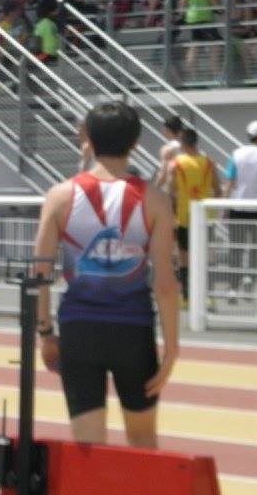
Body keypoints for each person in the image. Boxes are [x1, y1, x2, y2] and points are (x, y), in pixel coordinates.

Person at [32, 101, 179, 450]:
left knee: (88, 447)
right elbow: (165, 284)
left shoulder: (59, 196)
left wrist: (46, 333)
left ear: (89, 140)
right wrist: (172, 349)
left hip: (79, 329)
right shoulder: (156, 200)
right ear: (135, 143)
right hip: (133, 331)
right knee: (143, 442)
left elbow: (39, 272)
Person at [222, 119, 257, 300]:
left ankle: (232, 288)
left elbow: (229, 182)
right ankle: (249, 280)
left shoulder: (236, 154)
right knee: (256, 249)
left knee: (235, 249)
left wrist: (225, 207)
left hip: (237, 207)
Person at [169, 127, 221, 301]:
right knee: (206, 257)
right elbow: (218, 189)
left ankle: (186, 298)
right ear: (196, 142)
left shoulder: (176, 163)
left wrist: (171, 213)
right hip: (206, 217)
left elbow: (171, 191)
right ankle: (207, 297)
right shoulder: (209, 163)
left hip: (184, 217)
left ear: (182, 143)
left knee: (184, 258)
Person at [180, 0, 221, 82]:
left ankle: (194, 80)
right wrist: (220, 8)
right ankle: (216, 77)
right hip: (204, 15)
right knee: (215, 45)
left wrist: (182, 12)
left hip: (192, 16)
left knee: (195, 45)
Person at [154, 115, 184, 192]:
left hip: (171, 190)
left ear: (167, 130)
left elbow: (163, 174)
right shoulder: (186, 148)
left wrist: (155, 188)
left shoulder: (168, 149)